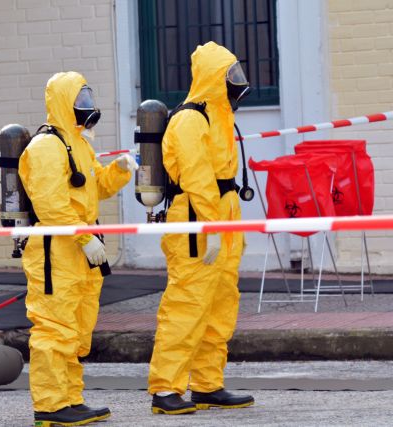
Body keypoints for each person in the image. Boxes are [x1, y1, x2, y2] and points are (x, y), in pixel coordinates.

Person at [19, 71, 138, 426]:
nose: (88, 106)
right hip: (57, 250)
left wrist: (118, 171)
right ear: (63, 103)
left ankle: (70, 399)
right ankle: (50, 406)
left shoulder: (79, 144)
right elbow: (50, 204)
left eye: (88, 98)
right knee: (54, 326)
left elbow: (94, 188)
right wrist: (85, 237)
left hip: (81, 247)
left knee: (77, 327)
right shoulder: (46, 146)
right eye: (80, 100)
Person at [148, 41, 255, 415]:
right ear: (214, 77)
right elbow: (197, 178)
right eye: (231, 74)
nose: (238, 81)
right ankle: (165, 389)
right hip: (197, 221)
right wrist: (211, 228)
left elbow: (221, 178)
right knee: (187, 305)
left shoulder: (219, 115)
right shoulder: (190, 120)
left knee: (219, 305)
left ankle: (208, 385)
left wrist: (224, 227)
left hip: (222, 216)